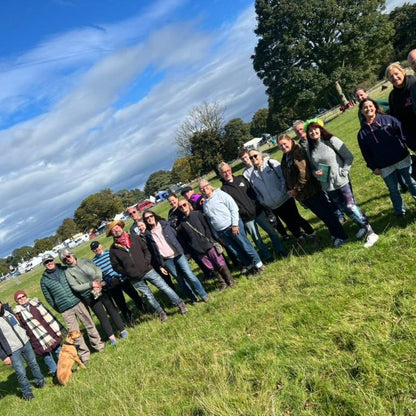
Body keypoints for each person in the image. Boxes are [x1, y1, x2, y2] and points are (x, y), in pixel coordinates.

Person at [304, 121, 379, 248]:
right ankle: (361, 225)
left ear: (320, 129)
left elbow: (348, 156)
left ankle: (370, 231)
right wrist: (316, 173)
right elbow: (312, 168)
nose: (313, 132)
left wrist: (344, 171)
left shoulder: (331, 140)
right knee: (343, 208)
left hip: (341, 181)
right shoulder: (309, 149)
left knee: (351, 206)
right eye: (310, 131)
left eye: (315, 129)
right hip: (328, 186)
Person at [107, 220, 188, 322]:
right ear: (111, 234)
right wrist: (128, 272)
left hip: (148, 270)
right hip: (135, 278)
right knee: (148, 296)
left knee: (164, 287)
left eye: (117, 227)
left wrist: (146, 262)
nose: (116, 230)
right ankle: (161, 312)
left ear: (121, 227)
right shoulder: (113, 249)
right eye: (113, 230)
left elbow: (146, 250)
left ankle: (180, 304)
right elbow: (115, 266)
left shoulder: (134, 238)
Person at [278, 134, 349, 247]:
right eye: (280, 145)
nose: (283, 147)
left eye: (284, 144)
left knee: (327, 214)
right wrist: (289, 189)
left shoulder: (297, 153)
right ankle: (335, 233)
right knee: (323, 215)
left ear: (290, 141)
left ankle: (342, 236)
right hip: (303, 195)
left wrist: (296, 190)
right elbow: (286, 175)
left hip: (311, 191)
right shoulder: (286, 156)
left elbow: (304, 174)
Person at [40, 254, 104, 364]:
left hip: (77, 302)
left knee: (89, 324)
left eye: (50, 260)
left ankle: (98, 345)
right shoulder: (44, 281)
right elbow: (49, 299)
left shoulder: (65, 269)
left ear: (54, 260)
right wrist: (59, 307)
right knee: (75, 333)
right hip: (65, 309)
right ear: (44, 265)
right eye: (46, 262)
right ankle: (84, 355)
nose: (49, 263)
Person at [358, 98, 416, 216]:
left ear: (375, 107)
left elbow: (403, 134)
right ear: (361, 111)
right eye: (365, 107)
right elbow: (366, 153)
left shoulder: (389, 120)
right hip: (384, 166)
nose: (368, 109)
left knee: (412, 183)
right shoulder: (362, 133)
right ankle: (400, 212)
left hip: (402, 159)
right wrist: (373, 167)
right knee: (393, 190)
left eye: (370, 106)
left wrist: (413, 148)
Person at [218, 161, 286, 260]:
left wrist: (260, 206)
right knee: (257, 239)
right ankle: (268, 256)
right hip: (246, 218)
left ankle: (280, 250)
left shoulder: (241, 178)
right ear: (221, 174)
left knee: (272, 231)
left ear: (231, 170)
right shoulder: (224, 190)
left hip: (258, 211)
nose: (227, 173)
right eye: (224, 172)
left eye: (228, 170)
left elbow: (253, 193)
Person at [246, 149, 316, 243]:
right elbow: (256, 191)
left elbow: (283, 177)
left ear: (260, 155)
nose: (253, 158)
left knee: (296, 218)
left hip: (285, 198)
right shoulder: (251, 175)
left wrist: (283, 191)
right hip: (272, 204)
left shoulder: (271, 163)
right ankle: (299, 237)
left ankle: (311, 234)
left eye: (255, 156)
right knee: (288, 222)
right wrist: (263, 200)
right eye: (251, 157)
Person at [60, 248, 127, 345]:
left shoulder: (84, 260)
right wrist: (91, 285)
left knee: (111, 309)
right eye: (64, 259)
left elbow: (97, 269)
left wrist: (98, 282)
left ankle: (122, 330)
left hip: (101, 288)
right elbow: (75, 286)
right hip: (89, 295)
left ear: (72, 254)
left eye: (68, 256)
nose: (67, 259)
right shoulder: (68, 272)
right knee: (102, 316)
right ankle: (111, 337)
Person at [199, 179, 265, 275]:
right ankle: (251, 267)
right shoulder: (205, 203)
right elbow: (210, 220)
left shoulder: (220, 194)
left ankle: (259, 265)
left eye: (206, 186)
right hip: (221, 232)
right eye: (202, 188)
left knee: (245, 246)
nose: (205, 189)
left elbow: (233, 208)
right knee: (236, 251)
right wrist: (217, 234)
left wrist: (235, 224)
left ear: (210, 185)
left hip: (232, 226)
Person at [143, 210, 210, 303]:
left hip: (178, 254)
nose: (149, 219)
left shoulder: (166, 225)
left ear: (154, 216)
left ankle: (203, 294)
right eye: (147, 218)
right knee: (181, 281)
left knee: (189, 275)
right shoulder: (148, 234)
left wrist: (185, 252)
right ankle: (193, 298)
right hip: (167, 260)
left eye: (151, 216)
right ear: (145, 221)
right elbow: (153, 252)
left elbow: (178, 238)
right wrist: (160, 265)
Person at [177, 199, 235, 291]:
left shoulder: (198, 214)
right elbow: (186, 238)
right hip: (198, 249)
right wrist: (193, 247)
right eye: (180, 207)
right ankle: (223, 283)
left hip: (208, 244)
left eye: (184, 205)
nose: (183, 207)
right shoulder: (182, 223)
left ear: (188, 205)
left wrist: (207, 240)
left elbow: (207, 227)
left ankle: (230, 281)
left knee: (220, 262)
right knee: (211, 267)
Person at [238, 147, 290, 240]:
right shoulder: (245, 173)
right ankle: (284, 234)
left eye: (246, 157)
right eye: (243, 159)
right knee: (273, 219)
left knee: (286, 215)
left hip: (276, 194)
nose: (245, 160)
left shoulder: (265, 163)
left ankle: (295, 230)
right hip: (263, 198)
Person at [91, 241, 146, 326]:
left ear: (100, 246)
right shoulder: (94, 262)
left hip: (122, 279)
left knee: (134, 295)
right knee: (121, 304)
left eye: (97, 247)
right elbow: (99, 276)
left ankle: (143, 309)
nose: (96, 249)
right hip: (111, 284)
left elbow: (120, 265)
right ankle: (130, 319)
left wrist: (119, 276)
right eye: (94, 249)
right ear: (93, 251)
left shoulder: (110, 253)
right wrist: (110, 281)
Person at [0, 300, 45, 401]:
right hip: (12, 350)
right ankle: (27, 393)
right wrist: (4, 356)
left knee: (33, 363)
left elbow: (19, 323)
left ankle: (40, 381)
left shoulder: (8, 310)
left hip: (25, 342)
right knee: (21, 372)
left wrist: (26, 335)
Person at [13, 289, 63, 378]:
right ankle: (56, 373)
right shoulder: (17, 313)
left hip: (48, 330)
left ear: (26, 296)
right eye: (19, 298)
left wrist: (55, 328)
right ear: (16, 301)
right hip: (35, 338)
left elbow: (47, 315)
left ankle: (64, 367)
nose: (22, 299)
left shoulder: (36, 304)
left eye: (23, 296)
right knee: (46, 356)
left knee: (58, 349)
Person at [386, 62, 416, 151]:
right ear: (388, 80)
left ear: (403, 72)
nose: (395, 77)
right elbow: (394, 118)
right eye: (391, 76)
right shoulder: (393, 96)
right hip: (412, 137)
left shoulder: (414, 84)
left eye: (396, 74)